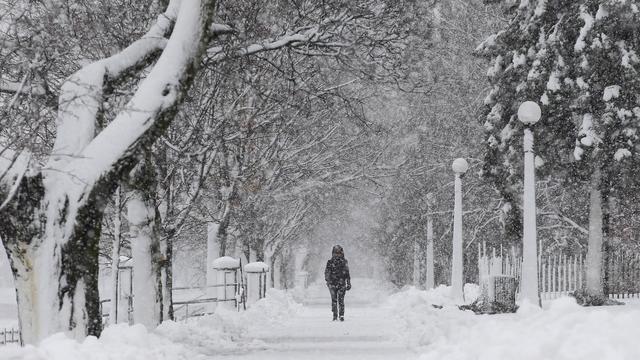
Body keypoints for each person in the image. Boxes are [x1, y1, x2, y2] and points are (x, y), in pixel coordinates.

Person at [324, 245, 351, 321]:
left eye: (339, 253)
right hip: (332, 283)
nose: (337, 254)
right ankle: (335, 315)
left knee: (341, 300)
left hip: (341, 283)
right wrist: (328, 280)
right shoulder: (330, 262)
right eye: (336, 253)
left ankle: (341, 315)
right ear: (333, 253)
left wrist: (348, 283)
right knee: (334, 300)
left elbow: (347, 273)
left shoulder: (344, 262)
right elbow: (327, 272)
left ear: (342, 253)